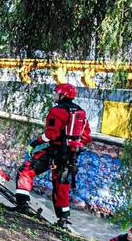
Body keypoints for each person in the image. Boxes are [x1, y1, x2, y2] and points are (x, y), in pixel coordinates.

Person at [13, 83, 92, 231]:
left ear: (63, 95)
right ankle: (64, 220)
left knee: (26, 171)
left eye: (57, 93)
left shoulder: (57, 111)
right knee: (62, 187)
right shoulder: (81, 112)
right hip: (70, 157)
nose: (55, 95)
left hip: (54, 152)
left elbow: (51, 134)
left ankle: (22, 204)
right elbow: (87, 137)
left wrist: (35, 142)